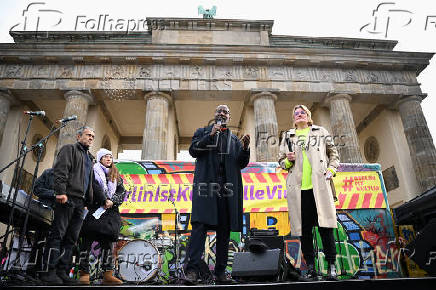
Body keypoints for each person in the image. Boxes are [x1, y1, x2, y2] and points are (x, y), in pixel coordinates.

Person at [185, 105, 250, 284]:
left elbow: (241, 163)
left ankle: (220, 272)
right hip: (206, 187)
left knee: (224, 230)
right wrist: (210, 135)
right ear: (214, 115)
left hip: (227, 189)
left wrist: (245, 149)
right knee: (199, 228)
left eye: (226, 112)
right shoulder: (202, 131)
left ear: (229, 117)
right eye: (219, 111)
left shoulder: (234, 140)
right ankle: (192, 271)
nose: (222, 113)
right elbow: (193, 150)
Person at [278, 105, 340, 281]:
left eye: (302, 112)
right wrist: (288, 161)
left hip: (319, 186)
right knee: (304, 231)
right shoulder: (288, 136)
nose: (299, 115)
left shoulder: (320, 131)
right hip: (298, 190)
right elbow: (281, 161)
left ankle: (332, 267)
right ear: (293, 118)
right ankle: (311, 268)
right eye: (296, 113)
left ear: (308, 116)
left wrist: (332, 169)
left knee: (325, 228)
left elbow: (334, 154)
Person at [40, 126, 95, 285]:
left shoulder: (89, 158)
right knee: (58, 235)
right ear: (79, 136)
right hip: (67, 198)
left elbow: (88, 181)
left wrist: (87, 202)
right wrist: (60, 192)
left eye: (92, 136)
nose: (91, 138)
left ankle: (62, 272)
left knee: (71, 239)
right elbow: (60, 171)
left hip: (80, 203)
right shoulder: (69, 149)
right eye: (88, 135)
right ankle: (48, 271)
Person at [78, 148, 125, 285]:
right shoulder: (93, 171)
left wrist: (112, 200)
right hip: (95, 209)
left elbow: (122, 191)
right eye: (105, 157)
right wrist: (104, 199)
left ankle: (108, 274)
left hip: (110, 212)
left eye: (110, 156)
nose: (109, 159)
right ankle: (84, 273)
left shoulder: (116, 174)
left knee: (107, 243)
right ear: (100, 159)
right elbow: (93, 187)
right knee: (86, 240)